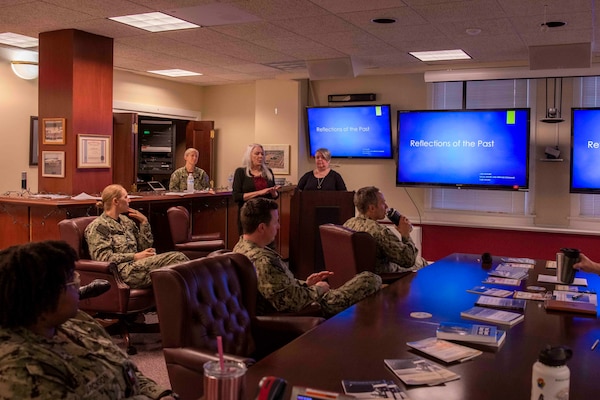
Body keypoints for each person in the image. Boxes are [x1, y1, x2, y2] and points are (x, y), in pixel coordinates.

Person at [0, 240, 178, 399]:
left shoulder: (78, 321)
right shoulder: (20, 372)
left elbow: (123, 367)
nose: (79, 283)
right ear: (46, 298)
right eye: (72, 280)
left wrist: (159, 395)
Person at [233, 197, 381, 318]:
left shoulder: (240, 247)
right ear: (262, 227)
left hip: (303, 297)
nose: (279, 226)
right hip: (309, 309)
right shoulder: (262, 260)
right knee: (369, 279)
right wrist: (318, 289)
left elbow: (277, 287)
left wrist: (306, 284)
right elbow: (289, 302)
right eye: (276, 222)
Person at [85, 184, 189, 289]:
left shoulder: (126, 221)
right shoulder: (98, 226)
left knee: (177, 268)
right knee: (177, 258)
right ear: (115, 201)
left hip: (138, 265)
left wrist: (144, 223)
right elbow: (103, 258)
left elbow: (143, 247)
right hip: (121, 272)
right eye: (125, 197)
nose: (129, 200)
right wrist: (134, 256)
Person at [343, 186, 426, 274]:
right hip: (382, 275)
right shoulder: (380, 231)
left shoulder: (347, 224)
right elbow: (408, 260)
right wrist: (405, 234)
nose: (386, 206)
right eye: (383, 203)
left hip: (355, 275)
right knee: (422, 262)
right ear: (372, 208)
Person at [232, 143, 281, 235]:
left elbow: (274, 196)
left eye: (262, 154)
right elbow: (236, 196)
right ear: (249, 155)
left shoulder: (268, 172)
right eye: (257, 154)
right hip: (249, 215)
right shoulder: (241, 172)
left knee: (268, 245)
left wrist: (274, 193)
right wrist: (260, 192)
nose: (260, 156)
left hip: (266, 215)